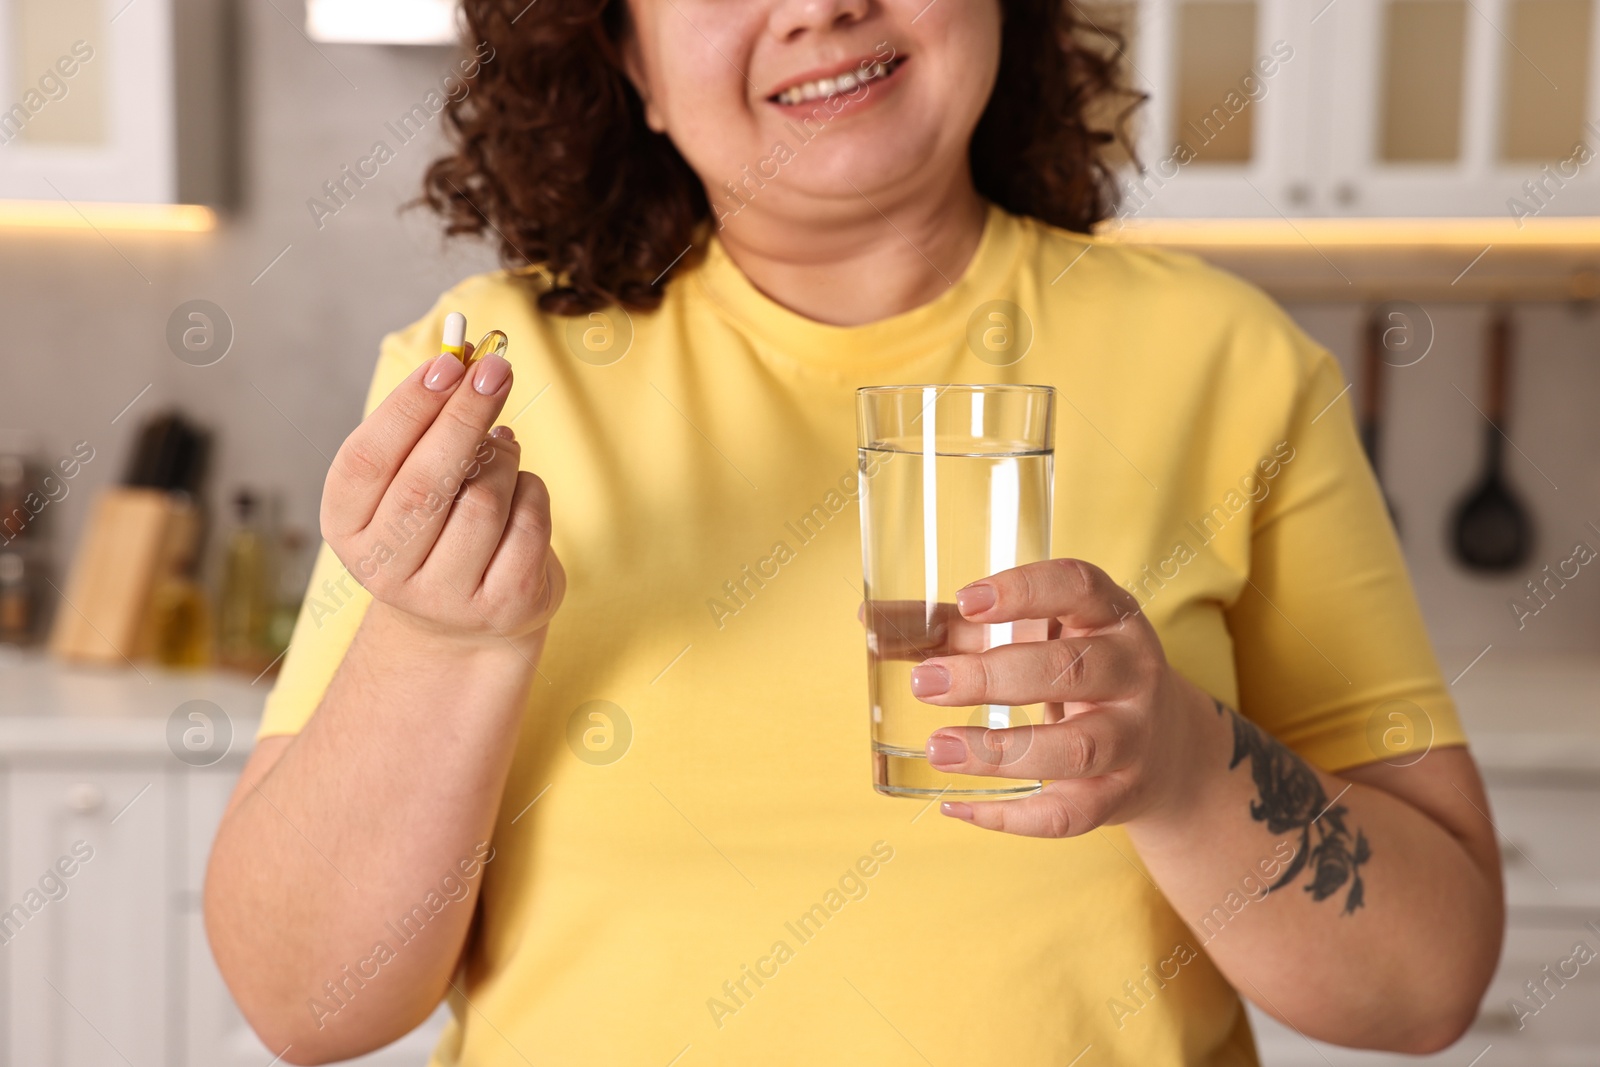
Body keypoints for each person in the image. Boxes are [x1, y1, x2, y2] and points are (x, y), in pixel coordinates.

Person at [203, 1, 1504, 1064]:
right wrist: (439, 645)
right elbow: (308, 1005)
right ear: (626, 57)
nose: (824, 7)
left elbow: (1426, 985)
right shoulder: (488, 383)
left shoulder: (1230, 365)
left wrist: (1177, 760)